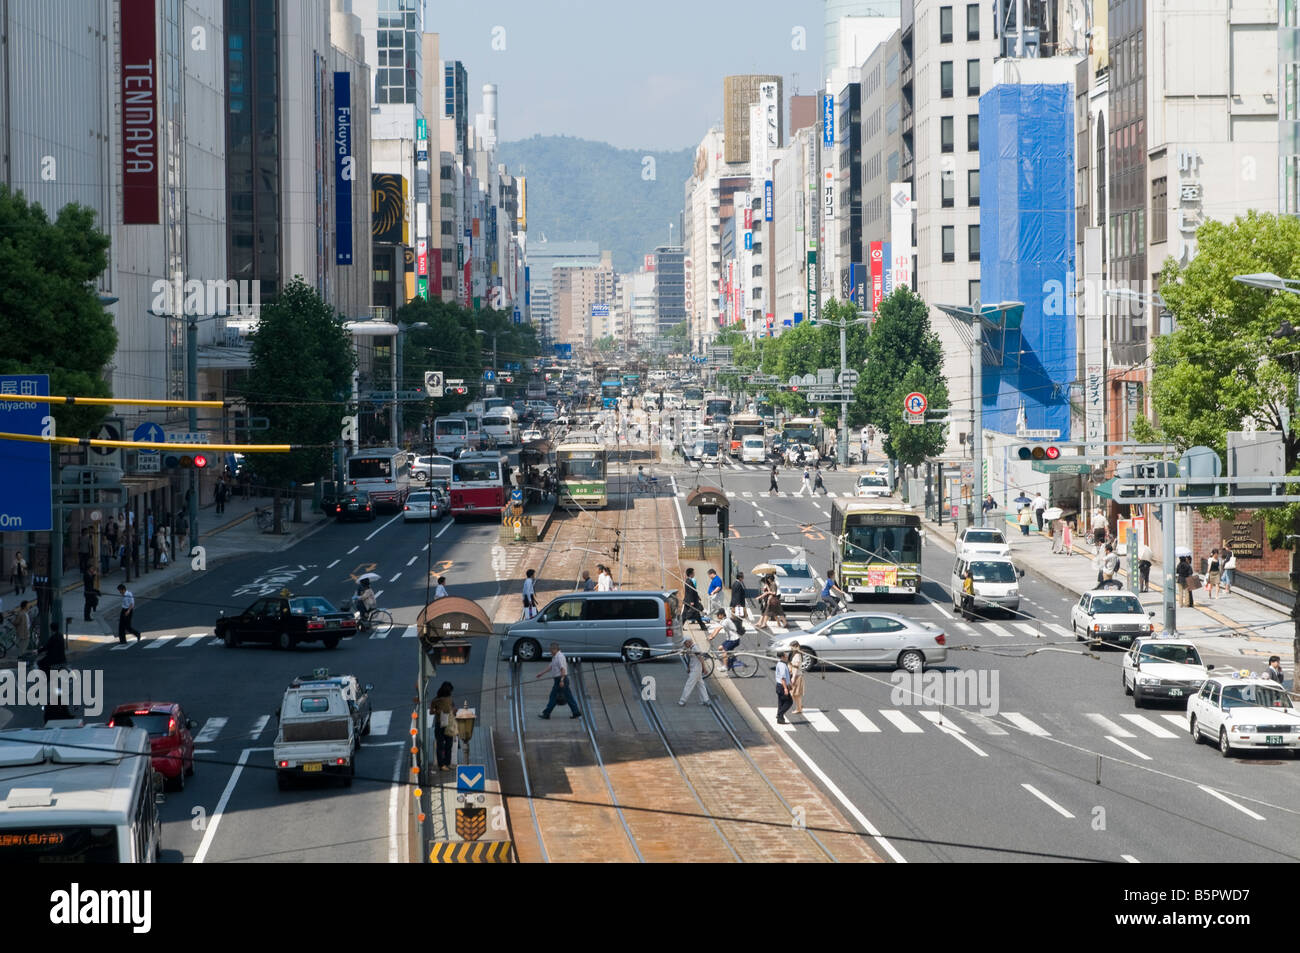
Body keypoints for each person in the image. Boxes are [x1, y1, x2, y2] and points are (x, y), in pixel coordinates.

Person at [536, 641, 581, 719]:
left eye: (551, 650)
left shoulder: (559, 657)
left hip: (560, 679)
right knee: (568, 696)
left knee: (553, 696)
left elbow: (563, 669)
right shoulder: (555, 656)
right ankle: (576, 712)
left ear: (555, 649)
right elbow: (551, 666)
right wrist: (541, 673)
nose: (550, 652)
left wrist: (562, 680)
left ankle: (547, 713)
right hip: (560, 680)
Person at [429, 681, 455, 771]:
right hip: (440, 724)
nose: (451, 693)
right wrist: (438, 712)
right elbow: (431, 711)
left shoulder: (450, 698)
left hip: (449, 723)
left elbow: (452, 707)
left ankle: (448, 763)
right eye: (450, 691)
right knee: (440, 745)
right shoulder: (436, 700)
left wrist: (453, 711)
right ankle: (441, 764)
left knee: (449, 744)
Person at [707, 609, 742, 675]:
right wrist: (710, 635)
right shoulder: (723, 620)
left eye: (718, 615)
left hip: (734, 639)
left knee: (724, 651)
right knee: (720, 648)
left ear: (722, 615)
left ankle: (725, 666)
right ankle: (730, 658)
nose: (717, 616)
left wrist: (712, 637)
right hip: (730, 639)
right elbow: (716, 629)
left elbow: (718, 629)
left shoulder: (726, 621)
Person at [677, 637, 709, 706]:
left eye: (685, 643)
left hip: (696, 670)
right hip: (695, 669)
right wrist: (689, 667)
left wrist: (704, 668)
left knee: (689, 685)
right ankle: (705, 699)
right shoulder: (691, 648)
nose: (685, 645)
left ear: (689, 642)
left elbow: (701, 659)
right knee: (701, 684)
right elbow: (691, 659)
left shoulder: (695, 648)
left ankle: (682, 701)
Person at [682, 567, 708, 631]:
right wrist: (691, 601)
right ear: (691, 574)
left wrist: (698, 596)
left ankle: (703, 626)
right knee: (686, 615)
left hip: (688, 600)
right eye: (693, 572)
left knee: (691, 614)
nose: (694, 574)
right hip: (690, 601)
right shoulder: (689, 581)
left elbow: (693, 591)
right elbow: (690, 592)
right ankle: (703, 627)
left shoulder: (689, 580)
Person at [774, 650, 794, 725]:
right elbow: (783, 678)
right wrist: (785, 688)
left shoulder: (780, 663)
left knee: (781, 702)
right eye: (785, 655)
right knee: (789, 701)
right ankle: (779, 714)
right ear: (782, 657)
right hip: (782, 686)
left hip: (779, 686)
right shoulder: (782, 665)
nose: (787, 656)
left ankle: (780, 719)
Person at [789, 641, 806, 715]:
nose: (791, 648)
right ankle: (800, 706)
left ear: (796, 646)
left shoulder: (797, 655)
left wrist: (793, 677)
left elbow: (796, 668)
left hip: (797, 676)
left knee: (795, 694)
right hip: (796, 675)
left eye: (792, 647)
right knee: (795, 693)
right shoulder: (796, 654)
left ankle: (799, 708)